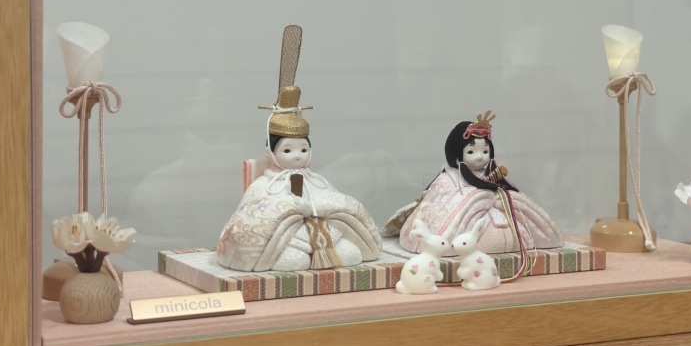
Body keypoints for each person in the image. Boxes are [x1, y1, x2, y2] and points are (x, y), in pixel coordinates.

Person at [216, 73, 382, 273]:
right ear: (270, 152)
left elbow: (335, 200)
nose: (297, 156)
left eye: (303, 150)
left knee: (350, 254)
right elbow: (249, 216)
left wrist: (325, 206)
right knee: (294, 261)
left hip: (325, 236)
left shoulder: (317, 180)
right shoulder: (264, 185)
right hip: (289, 240)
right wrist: (290, 208)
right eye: (287, 150)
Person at [384, 112, 564, 255]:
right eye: (471, 151)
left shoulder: (493, 174)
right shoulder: (448, 179)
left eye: (485, 151)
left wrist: (499, 199)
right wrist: (477, 199)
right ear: (457, 154)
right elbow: (437, 204)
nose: (480, 157)